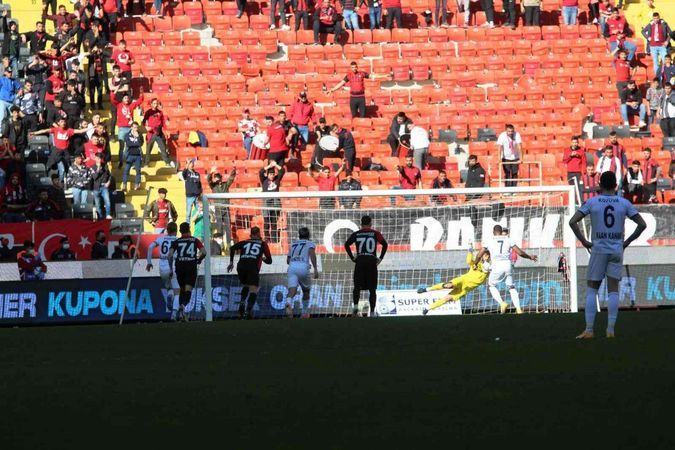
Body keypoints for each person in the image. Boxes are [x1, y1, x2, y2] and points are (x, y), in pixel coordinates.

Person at [569, 171, 647, 339]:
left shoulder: (592, 202)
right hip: (616, 249)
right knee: (613, 290)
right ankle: (610, 330)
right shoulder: (624, 203)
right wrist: (627, 242)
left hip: (598, 249)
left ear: (599, 184)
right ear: (616, 186)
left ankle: (589, 330)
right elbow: (642, 224)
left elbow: (572, 221)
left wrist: (583, 241)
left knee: (592, 288)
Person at [475, 225, 538, 314]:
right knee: (511, 287)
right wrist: (529, 257)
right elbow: (520, 252)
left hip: (496, 265)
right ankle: (519, 309)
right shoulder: (508, 239)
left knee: (491, 285)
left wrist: (475, 263)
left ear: (493, 232)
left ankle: (502, 303)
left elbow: (479, 254)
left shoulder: (489, 240)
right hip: (508, 265)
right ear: (501, 232)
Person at [418, 246, 491, 315]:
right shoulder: (476, 263)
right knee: (448, 285)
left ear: (488, 257)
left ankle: (428, 308)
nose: (483, 257)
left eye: (485, 256)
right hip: (462, 280)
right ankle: (427, 289)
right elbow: (469, 261)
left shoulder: (489, 267)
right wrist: (470, 251)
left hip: (465, 289)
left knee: (447, 298)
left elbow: (488, 270)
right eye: (483, 255)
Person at [344, 215, 388, 317]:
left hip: (360, 260)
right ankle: (372, 313)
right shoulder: (375, 233)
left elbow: (346, 244)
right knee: (372, 289)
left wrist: (352, 257)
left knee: (357, 287)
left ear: (361, 224)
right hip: (371, 261)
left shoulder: (356, 234)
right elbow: (385, 244)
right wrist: (380, 258)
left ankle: (355, 309)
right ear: (370, 223)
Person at [227, 226, 273, 319]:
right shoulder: (263, 244)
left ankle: (242, 302)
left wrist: (231, 262)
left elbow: (232, 248)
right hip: (252, 266)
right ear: (259, 234)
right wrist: (263, 258)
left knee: (246, 285)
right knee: (253, 290)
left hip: (241, 266)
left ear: (251, 235)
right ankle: (247, 312)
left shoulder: (245, 242)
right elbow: (270, 261)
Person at [168, 222, 206, 322]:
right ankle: (183, 306)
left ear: (180, 231)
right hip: (191, 265)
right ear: (189, 229)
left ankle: (181, 314)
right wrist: (199, 259)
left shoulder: (177, 241)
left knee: (182, 290)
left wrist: (171, 268)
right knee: (188, 290)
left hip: (179, 266)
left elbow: (170, 255)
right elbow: (204, 252)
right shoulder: (195, 240)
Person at [147, 222, 180, 321]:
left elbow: (150, 247)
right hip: (173, 266)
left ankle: (169, 295)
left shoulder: (161, 239)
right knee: (177, 292)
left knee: (169, 287)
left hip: (162, 268)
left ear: (167, 230)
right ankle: (174, 314)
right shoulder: (177, 240)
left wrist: (149, 262)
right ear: (176, 230)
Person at [285, 227, 319, 318]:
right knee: (306, 291)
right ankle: (304, 313)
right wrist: (315, 269)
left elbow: (288, 260)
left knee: (292, 289)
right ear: (308, 235)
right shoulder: (310, 243)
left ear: (299, 235)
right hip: (303, 267)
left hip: (292, 267)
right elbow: (312, 256)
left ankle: (288, 301)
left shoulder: (293, 244)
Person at [142, 98, 173, 167]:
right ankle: (146, 163)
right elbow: (143, 121)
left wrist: (166, 130)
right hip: (151, 133)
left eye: (156, 103)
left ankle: (167, 163)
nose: (155, 105)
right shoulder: (148, 112)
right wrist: (146, 127)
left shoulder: (160, 112)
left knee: (163, 148)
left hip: (158, 133)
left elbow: (163, 123)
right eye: (154, 103)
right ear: (151, 104)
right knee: (148, 149)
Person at [259, 160, 285, 243]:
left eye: (273, 174)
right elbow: (261, 171)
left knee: (274, 223)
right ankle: (266, 239)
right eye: (270, 174)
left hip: (275, 204)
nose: (272, 176)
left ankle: (274, 240)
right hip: (266, 204)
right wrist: (269, 166)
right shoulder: (264, 180)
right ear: (267, 174)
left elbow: (282, 171)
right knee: (266, 223)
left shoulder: (277, 180)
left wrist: (276, 164)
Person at [641, 12, 671, 78]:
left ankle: (666, 76)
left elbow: (671, 33)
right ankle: (658, 77)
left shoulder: (664, 24)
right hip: (653, 46)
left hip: (662, 45)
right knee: (655, 63)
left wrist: (667, 41)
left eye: (657, 18)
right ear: (653, 18)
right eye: (654, 18)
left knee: (665, 61)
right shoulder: (650, 24)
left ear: (659, 17)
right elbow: (643, 31)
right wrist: (647, 37)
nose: (656, 20)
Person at [563, 136, 587, 201]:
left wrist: (584, 173)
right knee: (572, 188)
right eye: (573, 142)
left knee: (579, 188)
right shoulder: (567, 150)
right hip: (570, 173)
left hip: (578, 173)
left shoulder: (581, 151)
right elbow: (564, 161)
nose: (575, 144)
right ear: (571, 143)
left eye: (576, 142)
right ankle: (573, 203)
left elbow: (584, 162)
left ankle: (580, 203)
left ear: (578, 143)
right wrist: (570, 156)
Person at [122, 121, 143, 191]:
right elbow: (128, 144)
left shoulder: (140, 135)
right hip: (129, 155)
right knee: (126, 170)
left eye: (137, 127)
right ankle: (124, 185)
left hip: (138, 155)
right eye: (134, 127)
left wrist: (138, 138)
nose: (136, 129)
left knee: (138, 170)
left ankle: (137, 185)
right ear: (131, 127)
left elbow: (140, 144)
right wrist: (136, 143)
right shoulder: (127, 135)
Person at [90, 152, 113, 219]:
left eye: (100, 158)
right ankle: (100, 217)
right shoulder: (92, 167)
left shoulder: (105, 166)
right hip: (96, 188)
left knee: (107, 201)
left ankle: (108, 215)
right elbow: (94, 177)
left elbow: (109, 175)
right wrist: (98, 168)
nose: (99, 160)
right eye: (98, 158)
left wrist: (109, 182)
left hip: (104, 187)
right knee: (98, 204)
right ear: (95, 159)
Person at [180, 158, 203, 222]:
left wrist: (200, 192)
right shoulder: (186, 173)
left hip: (197, 196)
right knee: (188, 213)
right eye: (190, 163)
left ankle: (199, 224)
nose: (192, 164)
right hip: (190, 196)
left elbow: (199, 184)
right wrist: (187, 163)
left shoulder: (197, 174)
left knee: (199, 211)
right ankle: (187, 227)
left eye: (192, 163)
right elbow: (183, 172)